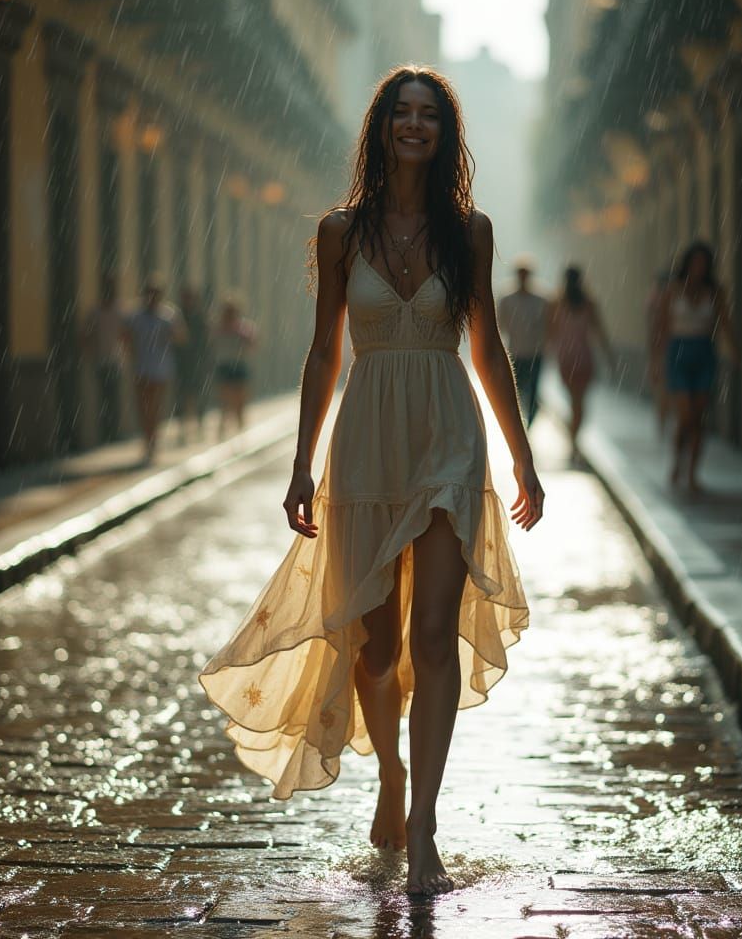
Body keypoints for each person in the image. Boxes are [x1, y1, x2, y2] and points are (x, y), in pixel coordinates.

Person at [199, 66, 544, 897]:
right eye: (402, 113)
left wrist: (522, 454)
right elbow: (324, 352)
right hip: (363, 446)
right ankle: (389, 770)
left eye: (429, 115)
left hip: (447, 438)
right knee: (377, 646)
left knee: (433, 640)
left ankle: (424, 825)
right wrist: (299, 462)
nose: (414, 126)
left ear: (443, 133)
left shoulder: (470, 233)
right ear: (383, 128)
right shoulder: (340, 232)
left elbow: (489, 349)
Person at [660, 241, 738, 493]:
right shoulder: (672, 289)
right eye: (695, 263)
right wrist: (655, 360)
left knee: (698, 418)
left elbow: (725, 322)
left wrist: (736, 351)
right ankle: (677, 460)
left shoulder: (715, 292)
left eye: (703, 264)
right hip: (678, 353)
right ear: (687, 264)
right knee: (685, 416)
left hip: (704, 353)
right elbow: (661, 326)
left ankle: (692, 473)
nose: (699, 268)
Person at [549, 265, 615, 462]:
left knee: (575, 402)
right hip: (581, 358)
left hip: (569, 358)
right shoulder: (586, 303)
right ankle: (574, 443)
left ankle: (573, 443)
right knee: (579, 403)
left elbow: (550, 333)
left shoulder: (558, 303)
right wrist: (608, 355)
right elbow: (599, 331)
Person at [123, 277, 186, 464]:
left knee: (155, 407)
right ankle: (147, 441)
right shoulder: (135, 316)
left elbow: (181, 337)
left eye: (155, 294)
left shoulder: (168, 315)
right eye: (149, 293)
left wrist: (172, 335)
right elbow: (125, 337)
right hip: (141, 366)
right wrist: (130, 356)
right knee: (143, 408)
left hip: (161, 367)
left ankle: (153, 442)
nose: (151, 297)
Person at [497, 257, 548, 427]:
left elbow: (548, 325)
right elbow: (500, 325)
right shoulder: (506, 299)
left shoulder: (541, 300)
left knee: (533, 392)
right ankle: (518, 425)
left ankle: (530, 423)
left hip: (535, 353)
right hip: (515, 353)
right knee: (515, 392)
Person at [82, 272, 126, 444]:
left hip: (115, 360)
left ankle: (113, 431)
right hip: (101, 360)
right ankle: (107, 431)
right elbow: (85, 335)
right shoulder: (95, 312)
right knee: (105, 397)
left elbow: (127, 334)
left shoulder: (120, 310)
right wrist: (90, 353)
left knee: (113, 396)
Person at [214, 296, 258, 438]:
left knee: (240, 399)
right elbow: (212, 343)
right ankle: (223, 428)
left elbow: (253, 343)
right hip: (225, 364)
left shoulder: (243, 327)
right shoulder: (218, 327)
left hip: (239, 365)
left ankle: (240, 428)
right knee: (225, 399)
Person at [175, 284, 212, 444]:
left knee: (197, 394)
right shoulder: (178, 316)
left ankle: (200, 424)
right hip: (182, 362)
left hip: (197, 362)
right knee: (182, 394)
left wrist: (206, 360)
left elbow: (206, 341)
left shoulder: (200, 317)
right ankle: (182, 428)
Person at [646, 269, 672, 438]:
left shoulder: (655, 300)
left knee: (663, 392)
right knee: (665, 391)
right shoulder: (659, 300)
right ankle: (664, 424)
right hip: (667, 349)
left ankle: (663, 424)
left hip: (666, 349)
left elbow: (652, 329)